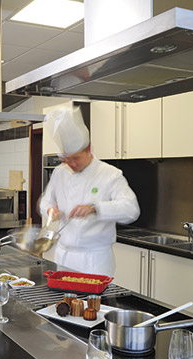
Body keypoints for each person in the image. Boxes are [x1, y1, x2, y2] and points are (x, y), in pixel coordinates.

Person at [39, 103, 140, 277]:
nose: (71, 164)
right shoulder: (59, 172)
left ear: (88, 150)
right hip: (64, 256)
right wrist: (50, 210)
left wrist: (95, 208)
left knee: (93, 296)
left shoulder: (110, 174)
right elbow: (46, 200)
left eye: (75, 158)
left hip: (94, 260)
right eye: (66, 159)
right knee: (63, 296)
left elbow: (131, 210)